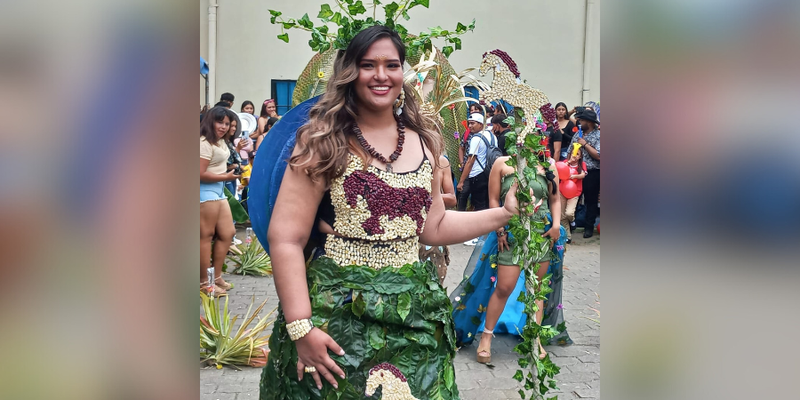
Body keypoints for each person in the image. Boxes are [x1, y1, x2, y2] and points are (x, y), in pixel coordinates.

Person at [258, 25, 520, 400]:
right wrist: (301, 327)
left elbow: (435, 227)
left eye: (391, 65)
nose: (381, 75)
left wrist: (504, 214)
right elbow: (286, 237)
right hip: (334, 316)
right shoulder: (322, 140)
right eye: (368, 65)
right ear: (350, 72)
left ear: (403, 74)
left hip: (413, 314)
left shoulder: (425, 143)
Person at [451, 154, 573, 364]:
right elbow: (493, 199)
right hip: (510, 235)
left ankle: (535, 338)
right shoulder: (502, 163)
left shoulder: (548, 163)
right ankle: (486, 338)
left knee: (537, 288)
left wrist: (555, 225)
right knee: (504, 287)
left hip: (541, 234)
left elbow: (554, 199)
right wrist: (499, 229)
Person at [200, 107, 241, 297]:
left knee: (228, 233)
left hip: (219, 190)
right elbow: (199, 174)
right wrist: (225, 176)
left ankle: (216, 277)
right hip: (204, 192)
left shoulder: (220, 141)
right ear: (210, 121)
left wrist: (228, 174)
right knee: (205, 236)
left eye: (227, 124)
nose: (224, 127)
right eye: (220, 122)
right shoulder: (203, 143)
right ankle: (203, 283)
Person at [571, 109, 600, 238]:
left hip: (592, 171)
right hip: (576, 170)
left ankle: (588, 227)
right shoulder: (578, 134)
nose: (579, 122)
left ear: (589, 122)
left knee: (591, 200)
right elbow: (570, 150)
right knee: (573, 198)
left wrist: (585, 144)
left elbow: (599, 156)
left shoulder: (598, 136)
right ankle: (571, 225)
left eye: (582, 120)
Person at [456, 113, 493, 213]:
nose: (470, 126)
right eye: (469, 123)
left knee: (479, 207)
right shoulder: (491, 135)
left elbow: (470, 162)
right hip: (489, 173)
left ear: (481, 124)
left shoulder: (476, 138)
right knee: (487, 204)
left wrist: (461, 181)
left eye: (473, 123)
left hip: (477, 175)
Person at [560, 143, 586, 243]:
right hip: (562, 191)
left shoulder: (582, 165)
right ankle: (568, 236)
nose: (575, 156)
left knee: (569, 213)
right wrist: (569, 162)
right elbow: (560, 168)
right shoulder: (566, 162)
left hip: (574, 193)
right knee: (562, 216)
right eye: (573, 153)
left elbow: (583, 175)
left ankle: (572, 221)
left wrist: (574, 176)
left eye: (578, 154)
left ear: (580, 157)